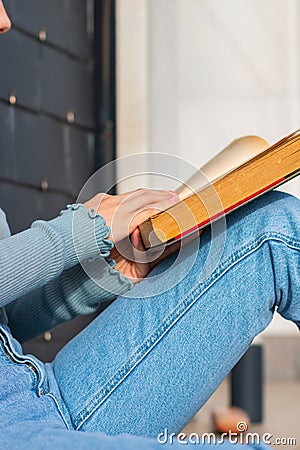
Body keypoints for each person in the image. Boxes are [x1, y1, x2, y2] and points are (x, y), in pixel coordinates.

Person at [0, 3, 299, 449]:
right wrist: (85, 230)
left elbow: (9, 321)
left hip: (35, 396)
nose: (4, 19)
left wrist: (103, 275)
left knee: (273, 228)